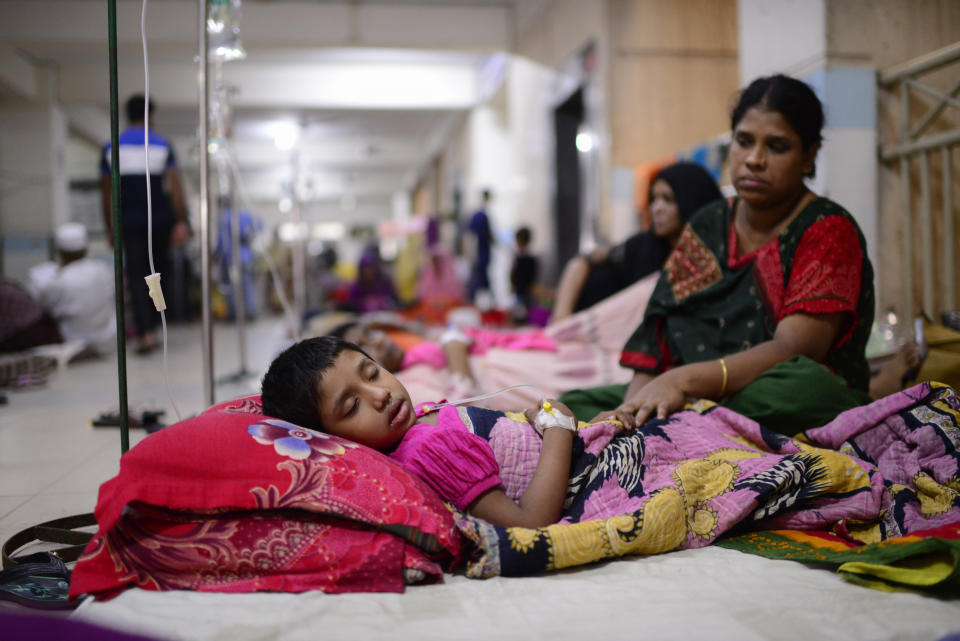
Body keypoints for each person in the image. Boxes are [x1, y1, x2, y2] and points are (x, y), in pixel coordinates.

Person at [564, 74, 877, 435]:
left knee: (800, 387)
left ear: (809, 156)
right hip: (694, 390)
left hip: (779, 391)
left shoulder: (826, 228)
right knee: (576, 404)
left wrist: (683, 382)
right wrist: (630, 412)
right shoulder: (709, 222)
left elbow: (796, 348)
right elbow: (660, 332)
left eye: (777, 146)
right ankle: (671, 427)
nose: (754, 160)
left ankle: (678, 425)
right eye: (744, 141)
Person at [260, 336, 576, 528]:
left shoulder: (419, 418)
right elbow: (530, 523)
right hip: (579, 474)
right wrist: (559, 426)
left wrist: (534, 419)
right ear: (332, 440)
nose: (379, 395)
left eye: (372, 374)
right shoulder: (429, 450)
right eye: (352, 407)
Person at [551, 161, 723, 322]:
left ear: (692, 201)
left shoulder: (713, 259)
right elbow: (580, 263)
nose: (656, 208)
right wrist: (562, 320)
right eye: (654, 199)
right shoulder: (641, 246)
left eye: (668, 199)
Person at [100, 93, 189, 355]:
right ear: (150, 116)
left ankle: (146, 333)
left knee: (139, 276)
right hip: (160, 220)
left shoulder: (111, 146)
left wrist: (110, 226)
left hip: (128, 221)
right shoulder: (161, 144)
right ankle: (158, 324)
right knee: (159, 273)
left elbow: (107, 193)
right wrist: (180, 221)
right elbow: (174, 188)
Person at [30, 223, 116, 355]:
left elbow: (45, 306)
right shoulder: (103, 269)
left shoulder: (59, 281)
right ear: (85, 249)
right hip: (109, 341)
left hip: (74, 343)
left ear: (60, 253)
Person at [343, 246, 399, 313]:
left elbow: (395, 301)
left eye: (371, 268)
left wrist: (381, 302)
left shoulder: (385, 283)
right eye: (365, 269)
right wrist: (363, 303)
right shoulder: (356, 287)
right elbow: (351, 305)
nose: (368, 272)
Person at [465, 189, 494, 302]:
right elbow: (479, 234)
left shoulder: (480, 214)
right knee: (480, 279)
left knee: (481, 278)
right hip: (480, 253)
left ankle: (481, 301)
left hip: (481, 253)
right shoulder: (480, 215)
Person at [509, 226, 540, 323]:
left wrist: (512, 284)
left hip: (521, 290)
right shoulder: (532, 258)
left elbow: (512, 273)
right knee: (525, 312)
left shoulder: (518, 258)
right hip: (526, 290)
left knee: (521, 312)